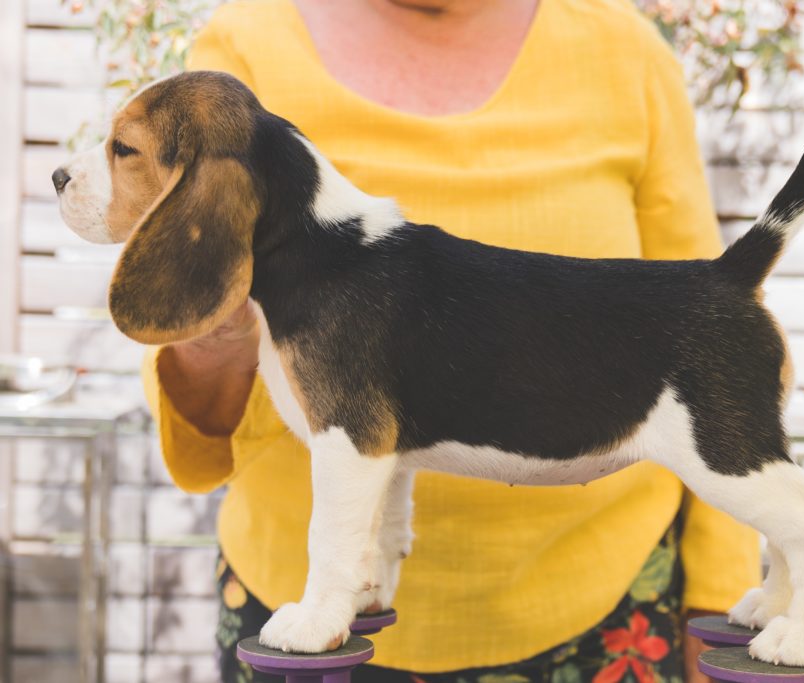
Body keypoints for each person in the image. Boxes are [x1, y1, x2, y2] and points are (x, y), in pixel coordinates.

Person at [141, 0, 762, 681]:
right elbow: (199, 409)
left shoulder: (627, 54)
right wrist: (215, 326)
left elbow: (711, 334)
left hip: (601, 612)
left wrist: (723, 598)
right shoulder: (244, 46)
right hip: (299, 615)